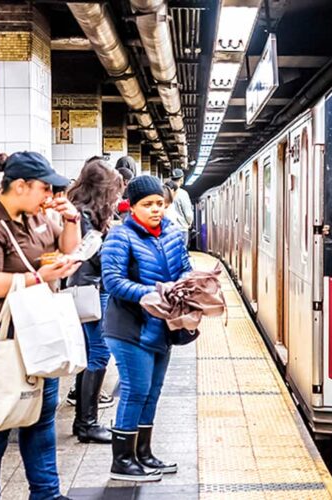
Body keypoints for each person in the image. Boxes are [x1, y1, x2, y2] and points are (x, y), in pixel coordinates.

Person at [0, 151, 81, 500]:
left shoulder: (36, 217)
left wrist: (71, 220)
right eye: (44, 188)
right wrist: (37, 278)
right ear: (20, 186)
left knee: (40, 415)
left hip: (31, 327)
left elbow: (68, 249)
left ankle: (47, 494)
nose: (50, 197)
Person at [101, 175, 193, 482]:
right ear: (133, 207)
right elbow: (112, 281)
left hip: (162, 325)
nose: (156, 210)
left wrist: (189, 287)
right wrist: (149, 293)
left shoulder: (172, 234)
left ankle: (143, 454)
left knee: (152, 392)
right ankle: (122, 461)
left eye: (160, 204)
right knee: (135, 389)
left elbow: (184, 269)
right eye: (147, 204)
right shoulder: (120, 236)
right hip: (129, 327)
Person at [64, 159, 124, 444]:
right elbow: (90, 255)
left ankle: (82, 422)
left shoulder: (79, 209)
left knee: (91, 354)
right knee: (99, 353)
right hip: (89, 288)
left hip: (88, 287)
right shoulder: (85, 215)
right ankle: (87, 424)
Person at [169, 169, 194, 246]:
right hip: (181, 229)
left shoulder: (165, 191)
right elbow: (188, 214)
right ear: (181, 179)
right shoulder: (183, 194)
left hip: (168, 229)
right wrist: (189, 223)